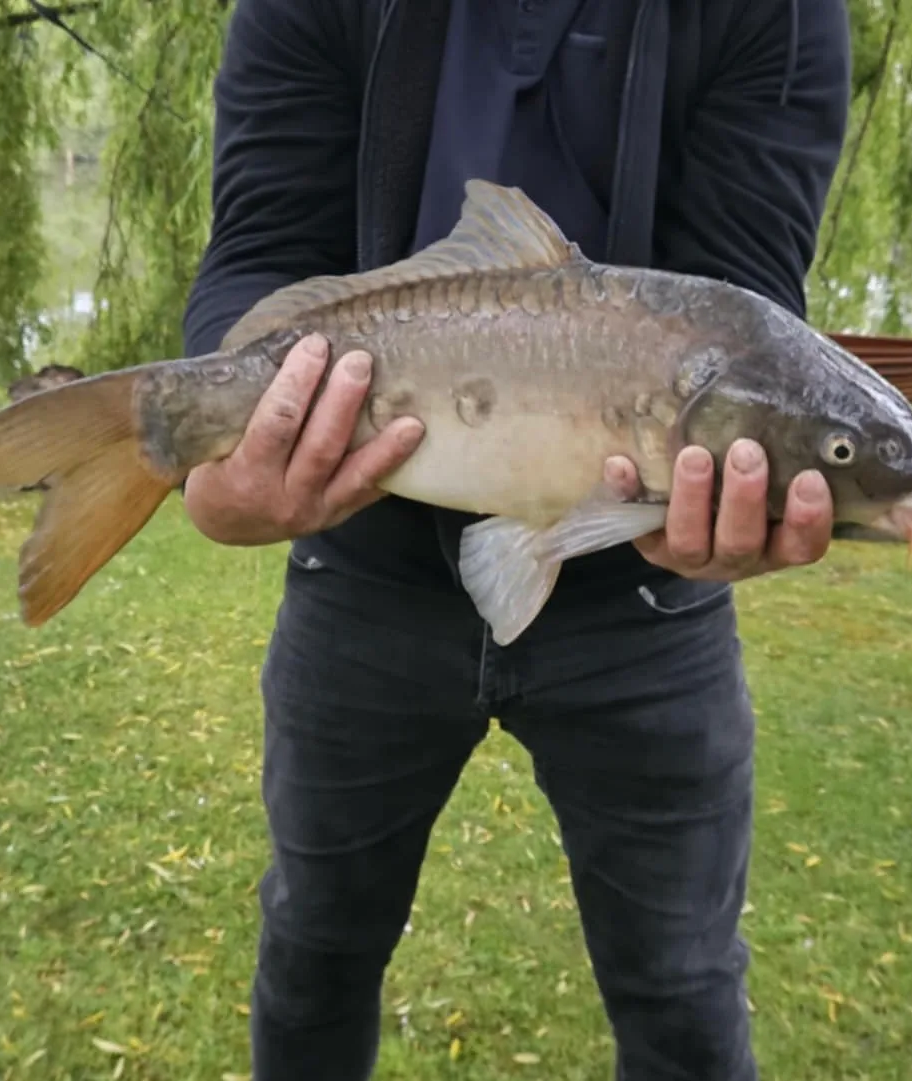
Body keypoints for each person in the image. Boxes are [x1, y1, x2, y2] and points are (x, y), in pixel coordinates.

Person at [180, 1, 851, 1077]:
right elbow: (260, 247)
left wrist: (729, 498)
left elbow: (744, 306)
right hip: (364, 564)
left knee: (683, 991)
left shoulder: (775, 13)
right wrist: (222, 460)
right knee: (315, 951)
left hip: (643, 597)